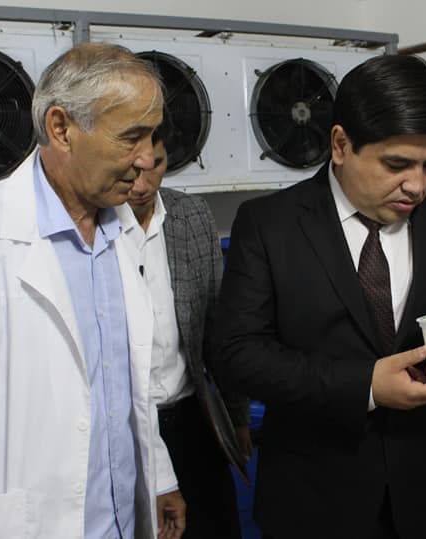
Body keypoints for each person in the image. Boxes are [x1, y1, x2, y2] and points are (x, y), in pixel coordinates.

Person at [0, 43, 187, 539]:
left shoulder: (124, 230)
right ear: (61, 128)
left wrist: (161, 475)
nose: (147, 157)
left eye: (151, 135)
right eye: (131, 137)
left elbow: (127, 385)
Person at [214, 54, 426, 539]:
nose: (417, 186)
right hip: (314, 505)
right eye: (396, 164)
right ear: (341, 144)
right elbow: (237, 355)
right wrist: (365, 386)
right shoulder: (269, 225)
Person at [125, 130, 251, 539]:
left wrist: (237, 417)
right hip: (127, 428)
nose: (142, 184)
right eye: (132, 170)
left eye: (156, 166)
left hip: (193, 417)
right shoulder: (94, 224)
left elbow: (216, 325)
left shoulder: (189, 215)